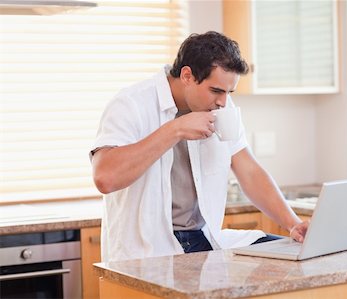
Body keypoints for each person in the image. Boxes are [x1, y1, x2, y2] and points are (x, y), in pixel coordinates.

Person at [90, 31, 309, 262]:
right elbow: (105, 177)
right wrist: (175, 129)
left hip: (204, 239)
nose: (223, 102)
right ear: (187, 75)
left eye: (228, 92)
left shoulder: (221, 107)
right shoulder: (131, 104)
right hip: (149, 250)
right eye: (216, 91)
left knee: (291, 256)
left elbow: (250, 171)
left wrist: (293, 223)